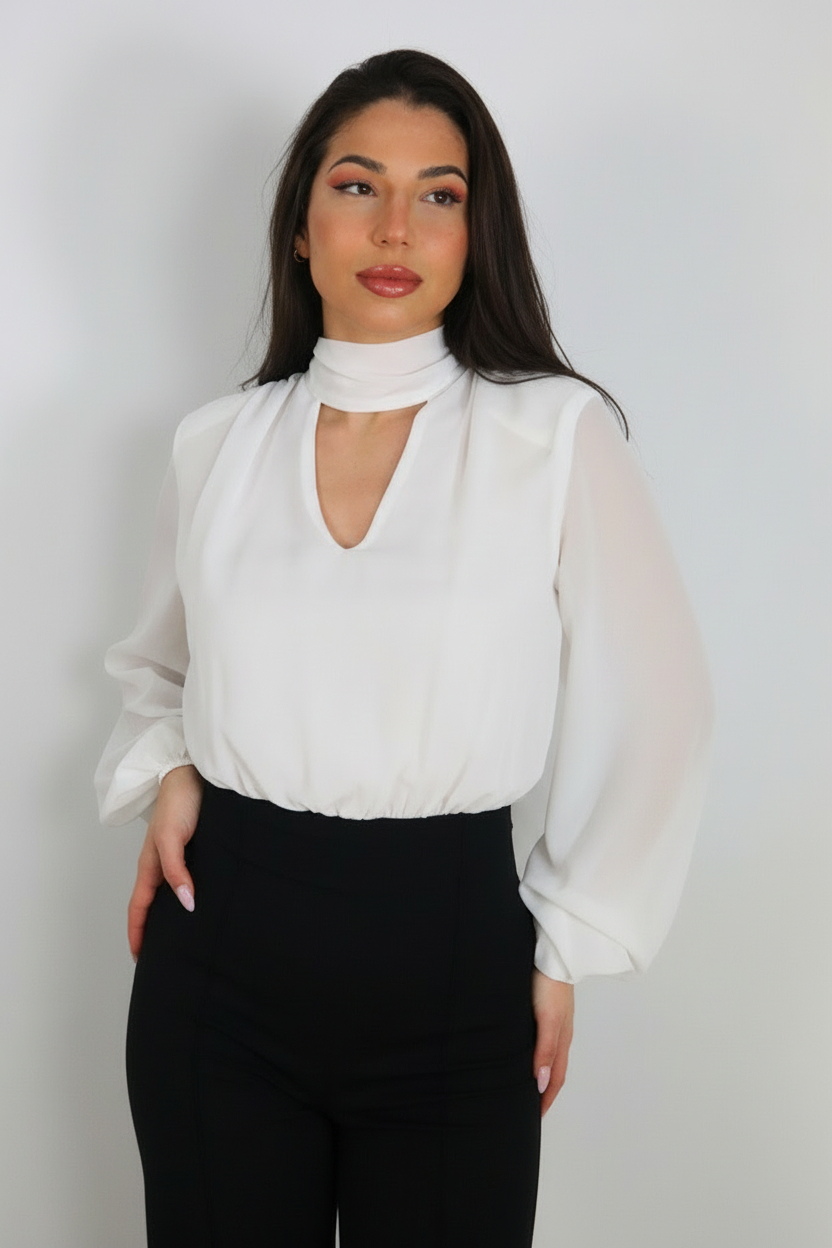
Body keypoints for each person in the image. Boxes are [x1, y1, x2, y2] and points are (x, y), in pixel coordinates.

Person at [95, 48, 713, 1248]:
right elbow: (160, 666)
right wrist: (169, 765)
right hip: (217, 961)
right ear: (300, 226)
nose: (394, 228)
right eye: (356, 185)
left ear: (477, 234)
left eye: (439, 194)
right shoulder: (216, 443)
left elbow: (663, 704)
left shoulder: (551, 434)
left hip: (453, 966)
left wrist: (566, 941)